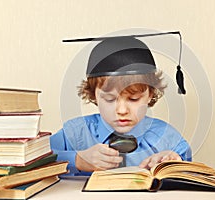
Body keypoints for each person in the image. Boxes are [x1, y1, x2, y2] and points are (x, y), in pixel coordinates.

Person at [50, 34, 192, 176]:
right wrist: (77, 161)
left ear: (150, 95)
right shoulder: (74, 134)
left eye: (134, 99)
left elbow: (190, 170)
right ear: (94, 95)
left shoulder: (167, 137)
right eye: (110, 99)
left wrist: (173, 163)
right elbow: (34, 160)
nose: (122, 110)